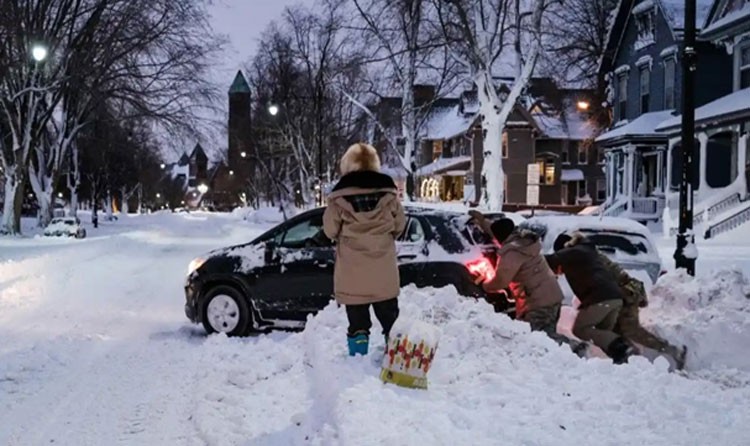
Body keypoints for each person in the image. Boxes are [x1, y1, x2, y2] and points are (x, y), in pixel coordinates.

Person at [554, 234, 687, 369]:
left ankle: (670, 350)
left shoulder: (582, 256)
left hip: (624, 292)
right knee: (614, 333)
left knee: (630, 330)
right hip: (618, 293)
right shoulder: (587, 253)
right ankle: (631, 362)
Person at [323, 143, 406, 357]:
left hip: (352, 273)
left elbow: (330, 231)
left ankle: (358, 363)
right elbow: (399, 226)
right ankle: (397, 360)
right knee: (390, 321)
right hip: (383, 271)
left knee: (358, 323)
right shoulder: (389, 194)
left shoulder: (338, 198)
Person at [474, 214, 584, 354]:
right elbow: (497, 230)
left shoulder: (512, 252)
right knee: (544, 336)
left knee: (539, 337)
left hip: (538, 303)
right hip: (551, 296)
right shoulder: (523, 240)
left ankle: (575, 349)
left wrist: (484, 286)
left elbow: (501, 281)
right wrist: (483, 221)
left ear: (501, 237)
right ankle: (561, 359)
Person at [546, 232, 635, 364]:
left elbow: (549, 259)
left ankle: (622, 346)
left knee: (580, 329)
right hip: (614, 298)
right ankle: (620, 362)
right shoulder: (586, 250)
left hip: (600, 298)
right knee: (603, 334)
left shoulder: (572, 252)